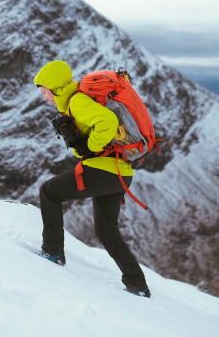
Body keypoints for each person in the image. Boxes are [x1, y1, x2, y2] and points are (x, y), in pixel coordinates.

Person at [34, 60, 151, 298]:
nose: (44, 98)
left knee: (49, 192)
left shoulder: (77, 101)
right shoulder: (74, 104)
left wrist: (88, 145)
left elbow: (106, 123)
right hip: (120, 173)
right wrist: (78, 143)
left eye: (44, 91)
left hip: (104, 171)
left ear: (55, 88)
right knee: (107, 231)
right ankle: (137, 284)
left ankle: (52, 252)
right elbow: (88, 149)